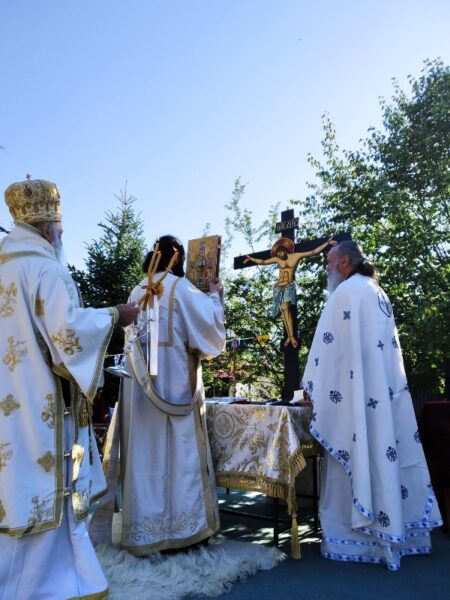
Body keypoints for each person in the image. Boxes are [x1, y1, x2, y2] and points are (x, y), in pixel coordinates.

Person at [0, 178, 138, 599]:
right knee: (49, 486)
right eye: (60, 229)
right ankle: (53, 585)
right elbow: (68, 335)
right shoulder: (47, 268)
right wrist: (116, 315)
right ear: (48, 229)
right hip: (42, 405)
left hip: (7, 403)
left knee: (13, 487)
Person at [302, 240, 442, 570]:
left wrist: (311, 389)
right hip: (383, 399)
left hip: (355, 403)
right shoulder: (377, 292)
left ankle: (356, 541)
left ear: (345, 262)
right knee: (386, 456)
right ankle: (395, 533)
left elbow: (328, 354)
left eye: (330, 261)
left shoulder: (346, 293)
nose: (327, 267)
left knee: (358, 457)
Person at [119, 235, 226, 555]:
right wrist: (216, 296)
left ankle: (145, 532)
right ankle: (185, 530)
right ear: (177, 259)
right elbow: (210, 334)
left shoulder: (137, 290)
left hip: (140, 393)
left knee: (146, 456)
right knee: (181, 454)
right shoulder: (182, 288)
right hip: (176, 385)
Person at [244, 237, 335, 347]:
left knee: (285, 307)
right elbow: (263, 262)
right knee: (283, 310)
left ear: (284, 250)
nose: (279, 256)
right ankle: (289, 337)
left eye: (280, 253)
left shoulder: (296, 256)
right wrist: (251, 259)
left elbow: (313, 252)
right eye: (277, 255)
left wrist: (327, 243)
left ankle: (292, 337)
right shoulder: (278, 259)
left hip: (288, 286)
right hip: (278, 288)